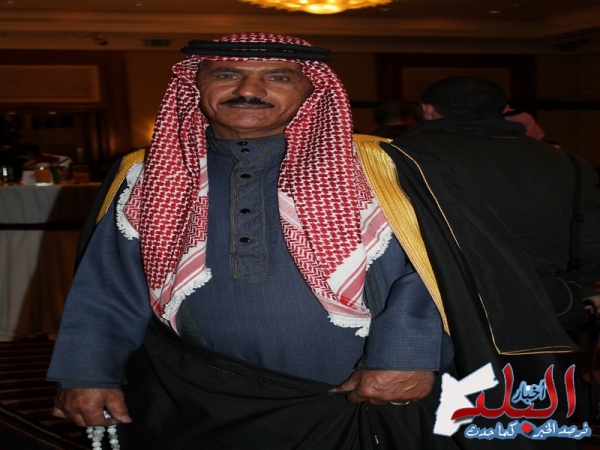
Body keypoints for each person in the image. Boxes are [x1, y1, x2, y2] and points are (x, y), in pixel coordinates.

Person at [47, 35, 576, 450]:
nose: (249, 89)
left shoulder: (379, 166)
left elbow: (433, 268)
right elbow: (107, 288)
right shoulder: (146, 174)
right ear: (195, 86)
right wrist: (86, 371)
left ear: (310, 91)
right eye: (226, 74)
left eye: (278, 77)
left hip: (357, 395)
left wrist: (406, 355)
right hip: (198, 398)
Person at [395, 76, 600, 329]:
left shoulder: (401, 156)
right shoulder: (569, 163)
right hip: (547, 306)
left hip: (439, 307)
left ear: (426, 109)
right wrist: (579, 285)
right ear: (503, 109)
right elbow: (591, 239)